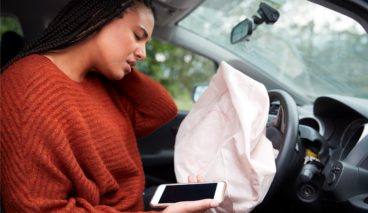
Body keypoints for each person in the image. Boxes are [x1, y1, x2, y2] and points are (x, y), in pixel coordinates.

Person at [0, 0, 220, 212]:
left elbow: (161, 109)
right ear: (98, 16)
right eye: (137, 36)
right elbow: (37, 208)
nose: (142, 53)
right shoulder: (26, 87)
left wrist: (111, 62)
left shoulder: (99, 81)